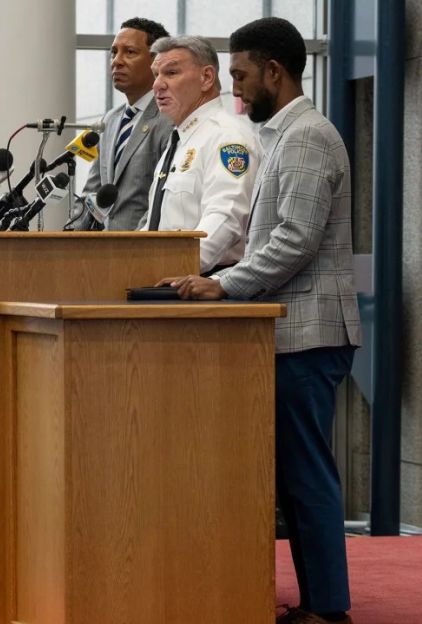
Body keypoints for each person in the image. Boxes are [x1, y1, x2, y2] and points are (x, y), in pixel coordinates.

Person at [157, 17, 361, 624]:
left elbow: (293, 241)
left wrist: (222, 283)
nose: (237, 92)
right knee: (296, 478)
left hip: (309, 333)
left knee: (308, 477)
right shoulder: (283, 134)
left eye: (242, 77)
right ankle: (319, 602)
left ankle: (329, 608)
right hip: (293, 330)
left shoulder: (305, 138)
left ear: (275, 71)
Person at [140, 35, 259, 274]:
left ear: (206, 78)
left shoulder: (227, 137)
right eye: (156, 75)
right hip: (166, 281)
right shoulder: (180, 141)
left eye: (171, 73)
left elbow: (226, 217)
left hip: (203, 285)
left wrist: (167, 269)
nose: (157, 85)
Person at [75, 17, 173, 231]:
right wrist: (70, 238)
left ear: (156, 62)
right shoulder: (110, 120)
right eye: (114, 52)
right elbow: (91, 192)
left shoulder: (169, 120)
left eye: (129, 52)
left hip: (141, 251)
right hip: (101, 253)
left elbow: (164, 201)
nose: (116, 61)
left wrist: (132, 246)